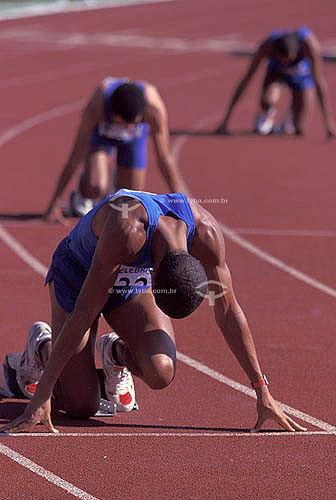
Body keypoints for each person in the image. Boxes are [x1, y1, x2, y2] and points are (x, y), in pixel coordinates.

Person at [1, 189, 307, 434]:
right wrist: (40, 398)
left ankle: (114, 354)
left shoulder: (206, 235)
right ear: (156, 274)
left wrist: (261, 389)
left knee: (161, 371)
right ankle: (40, 348)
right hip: (79, 276)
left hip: (129, 282)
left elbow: (228, 311)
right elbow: (84, 313)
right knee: (82, 406)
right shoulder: (127, 230)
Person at [44, 77, 188, 224]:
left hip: (134, 141)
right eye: (124, 124)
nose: (128, 129)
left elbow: (164, 159)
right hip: (102, 137)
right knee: (96, 186)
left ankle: (115, 180)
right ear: (113, 115)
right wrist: (54, 203)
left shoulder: (154, 109)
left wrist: (182, 204)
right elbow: (74, 159)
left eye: (134, 123)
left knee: (132, 200)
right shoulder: (96, 108)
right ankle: (81, 194)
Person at [214, 27, 335, 137]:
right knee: (267, 101)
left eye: (288, 61)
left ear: (296, 51)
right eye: (282, 60)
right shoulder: (266, 47)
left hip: (301, 76)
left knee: (299, 128)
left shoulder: (309, 44)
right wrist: (225, 121)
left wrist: (328, 124)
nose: (285, 64)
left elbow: (319, 81)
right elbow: (247, 79)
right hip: (276, 74)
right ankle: (267, 113)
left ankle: (290, 115)